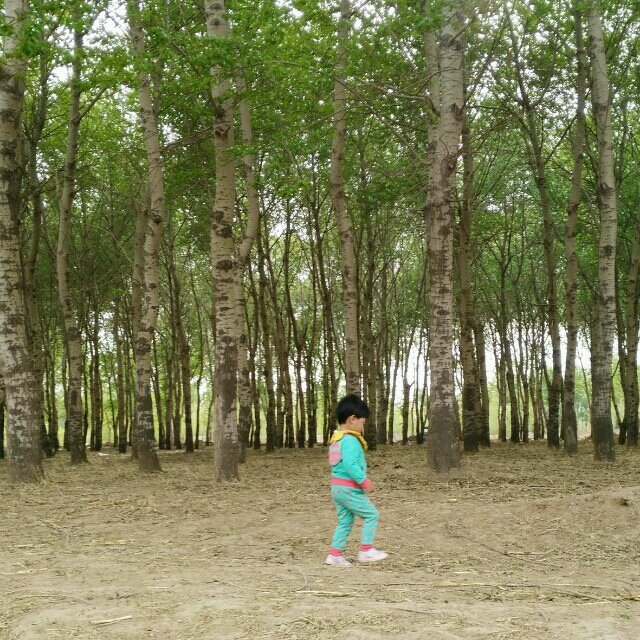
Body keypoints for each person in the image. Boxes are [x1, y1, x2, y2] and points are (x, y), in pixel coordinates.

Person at [325, 394, 388, 566]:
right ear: (352, 419)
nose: (363, 426)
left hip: (337, 488)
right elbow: (350, 464)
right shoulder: (351, 440)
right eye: (363, 422)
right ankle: (366, 550)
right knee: (371, 514)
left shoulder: (337, 439)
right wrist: (364, 481)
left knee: (345, 521)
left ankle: (335, 555)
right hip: (349, 489)